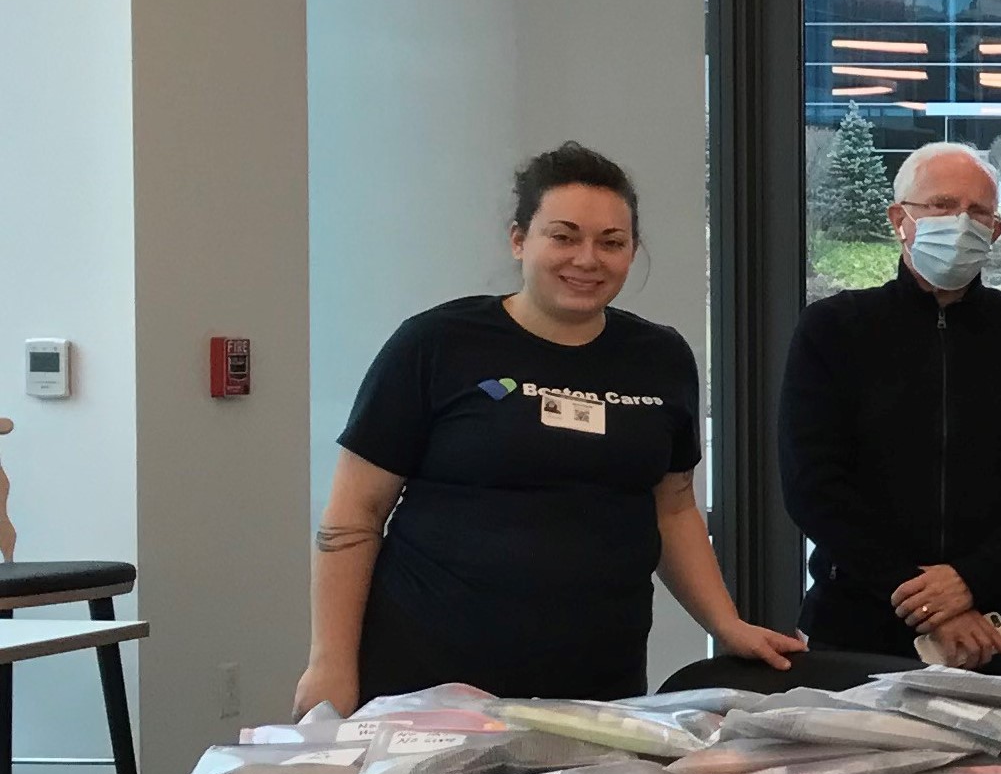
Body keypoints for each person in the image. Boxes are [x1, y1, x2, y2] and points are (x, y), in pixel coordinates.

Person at [303, 140, 802, 712]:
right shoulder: (437, 344)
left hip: (597, 687)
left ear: (632, 251)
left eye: (611, 242)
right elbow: (353, 516)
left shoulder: (660, 357)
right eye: (563, 236)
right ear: (520, 240)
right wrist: (330, 665)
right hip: (429, 677)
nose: (587, 259)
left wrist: (726, 623)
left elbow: (673, 507)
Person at [772, 142, 1001, 675]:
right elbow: (813, 483)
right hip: (857, 621)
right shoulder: (833, 330)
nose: (961, 223)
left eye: (978, 212)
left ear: (995, 230)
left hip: (997, 628)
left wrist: (971, 580)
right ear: (900, 219)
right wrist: (922, 597)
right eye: (942, 206)